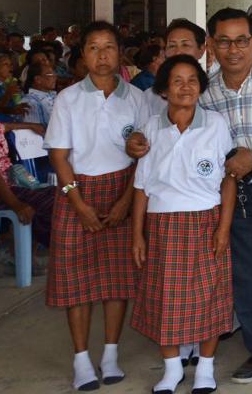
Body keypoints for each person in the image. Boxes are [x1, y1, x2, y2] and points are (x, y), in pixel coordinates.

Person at [130, 7, 252, 393]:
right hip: (236, 195)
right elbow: (174, 124)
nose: (233, 49)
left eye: (242, 40)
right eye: (224, 41)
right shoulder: (206, 90)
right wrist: (137, 139)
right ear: (211, 44)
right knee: (246, 277)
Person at [45, 22, 148, 392]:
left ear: (120, 53)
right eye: (93, 47)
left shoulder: (136, 98)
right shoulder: (68, 98)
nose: (102, 55)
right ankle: (81, 360)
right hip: (76, 190)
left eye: (109, 47)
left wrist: (125, 201)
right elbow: (59, 156)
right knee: (77, 281)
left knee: (116, 281)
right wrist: (78, 203)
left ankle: (110, 355)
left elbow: (143, 155)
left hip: (122, 189)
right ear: (82, 54)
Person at [130, 56, 236, 394]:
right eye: (177, 80)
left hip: (206, 220)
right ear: (163, 89)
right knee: (165, 298)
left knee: (209, 296)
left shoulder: (216, 124)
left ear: (201, 87)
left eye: (192, 80)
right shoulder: (151, 128)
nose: (185, 87)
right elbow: (141, 187)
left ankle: (205, 368)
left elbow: (229, 179)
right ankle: (172, 369)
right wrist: (137, 235)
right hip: (162, 224)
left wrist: (223, 228)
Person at [0, 75, 54, 266]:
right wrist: (16, 205)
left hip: (10, 186)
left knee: (60, 193)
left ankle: (21, 251)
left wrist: (30, 125)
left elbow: (6, 126)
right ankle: (33, 251)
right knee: (50, 202)